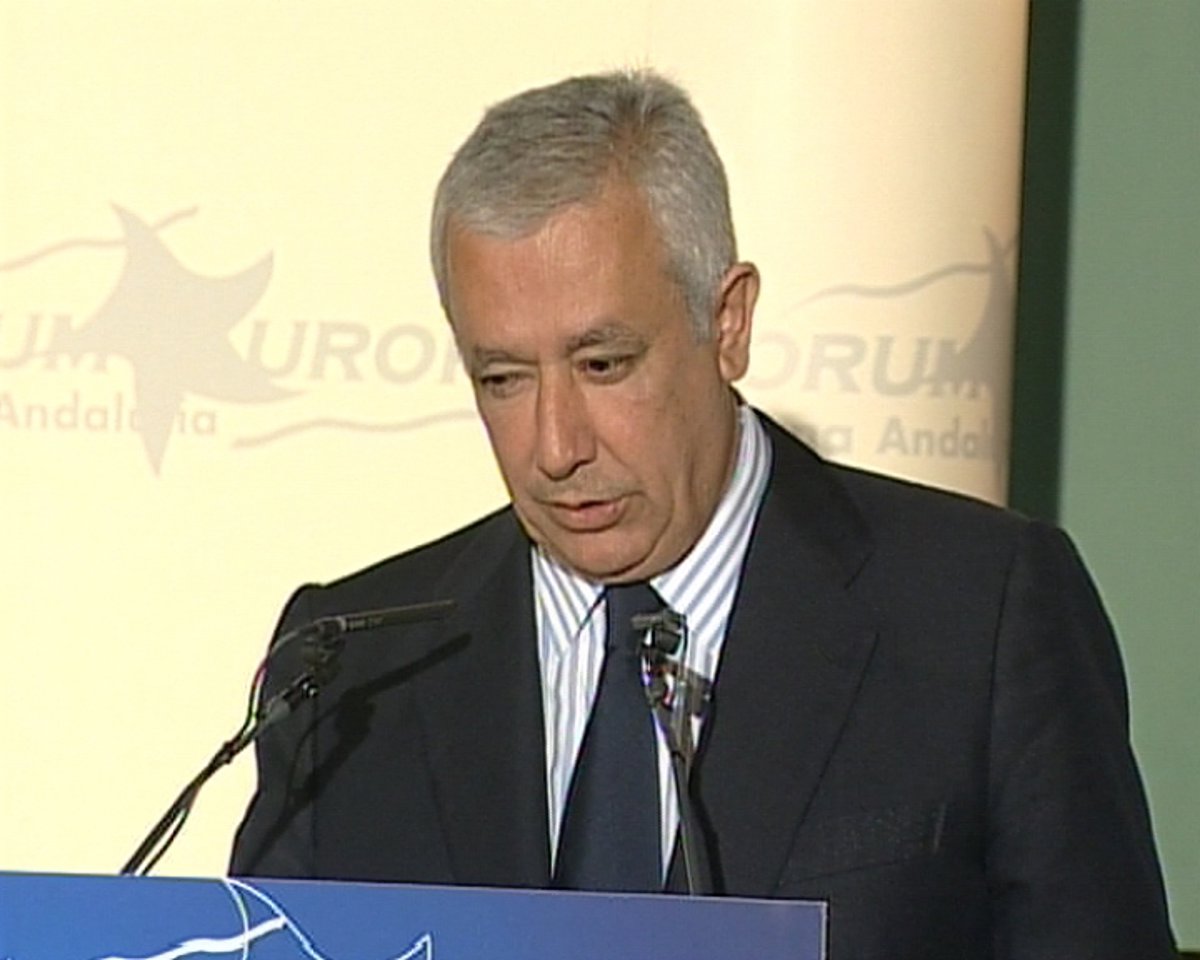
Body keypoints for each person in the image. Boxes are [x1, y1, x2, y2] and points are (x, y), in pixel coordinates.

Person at [231, 70, 1177, 958]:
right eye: (504, 378)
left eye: (603, 364)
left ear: (728, 323)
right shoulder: (352, 671)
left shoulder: (980, 618)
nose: (556, 446)